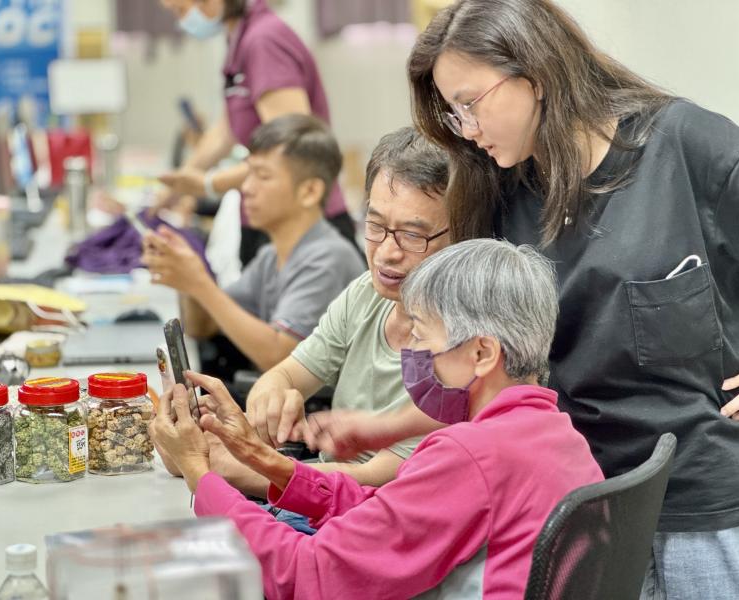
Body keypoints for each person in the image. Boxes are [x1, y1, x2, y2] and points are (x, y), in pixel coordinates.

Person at [380, 1, 739, 596]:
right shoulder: (498, 194)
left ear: (536, 75)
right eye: (453, 112)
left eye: (471, 104)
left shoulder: (684, 146)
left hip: (704, 504)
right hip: (580, 507)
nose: (465, 128)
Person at [149, 239, 605, 600]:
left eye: (422, 336)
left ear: (482, 353)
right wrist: (266, 462)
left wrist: (199, 473)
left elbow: (310, 574)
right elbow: (387, 510)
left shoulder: (473, 456)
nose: (413, 356)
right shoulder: (555, 433)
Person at [205, 127, 452, 499]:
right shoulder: (366, 294)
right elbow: (284, 374)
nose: (386, 252)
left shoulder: (460, 345)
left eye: (413, 235)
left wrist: (231, 468)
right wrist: (272, 399)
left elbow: (376, 480)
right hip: (320, 493)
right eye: (375, 225)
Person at [142, 114, 364, 382]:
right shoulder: (272, 255)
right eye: (247, 174)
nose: (246, 188)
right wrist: (188, 279)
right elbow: (203, 326)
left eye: (262, 176)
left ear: (309, 191)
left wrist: (200, 284)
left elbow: (279, 357)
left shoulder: (328, 258)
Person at [158, 0, 355, 264]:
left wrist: (208, 185)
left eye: (181, 11)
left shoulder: (264, 41)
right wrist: (177, 185)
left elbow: (293, 150)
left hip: (300, 225)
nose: (182, 21)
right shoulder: (239, 38)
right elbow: (226, 130)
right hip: (269, 220)